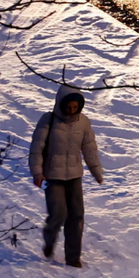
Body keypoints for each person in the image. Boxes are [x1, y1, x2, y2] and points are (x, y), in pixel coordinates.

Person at [29, 84, 104, 268]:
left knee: (77, 216)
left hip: (74, 176)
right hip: (51, 177)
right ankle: (49, 239)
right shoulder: (48, 120)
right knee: (58, 214)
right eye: (68, 107)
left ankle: (73, 257)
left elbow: (89, 149)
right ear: (60, 104)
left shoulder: (84, 122)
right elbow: (36, 149)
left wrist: (96, 171)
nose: (71, 111)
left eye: (75, 107)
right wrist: (38, 173)